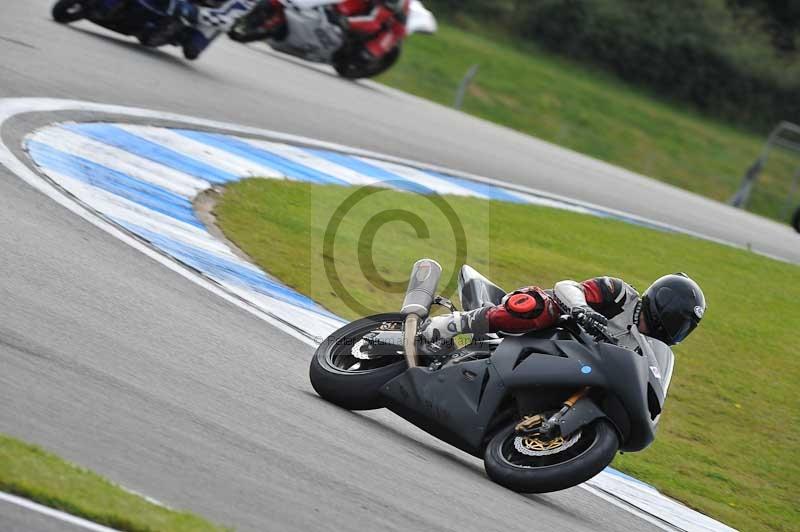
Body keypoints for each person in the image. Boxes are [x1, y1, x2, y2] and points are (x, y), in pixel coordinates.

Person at [421, 274, 706, 350]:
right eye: (679, 321)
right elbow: (566, 287)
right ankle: (450, 324)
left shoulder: (648, 349)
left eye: (686, 327)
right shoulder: (621, 294)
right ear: (664, 306)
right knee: (538, 307)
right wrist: (582, 310)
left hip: (572, 361)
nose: (679, 331)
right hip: (546, 329)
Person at [226, 0, 410, 62]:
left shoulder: (392, 8)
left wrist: (347, 22)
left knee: (367, 53)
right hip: (349, 7)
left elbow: (373, 21)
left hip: (379, 26)